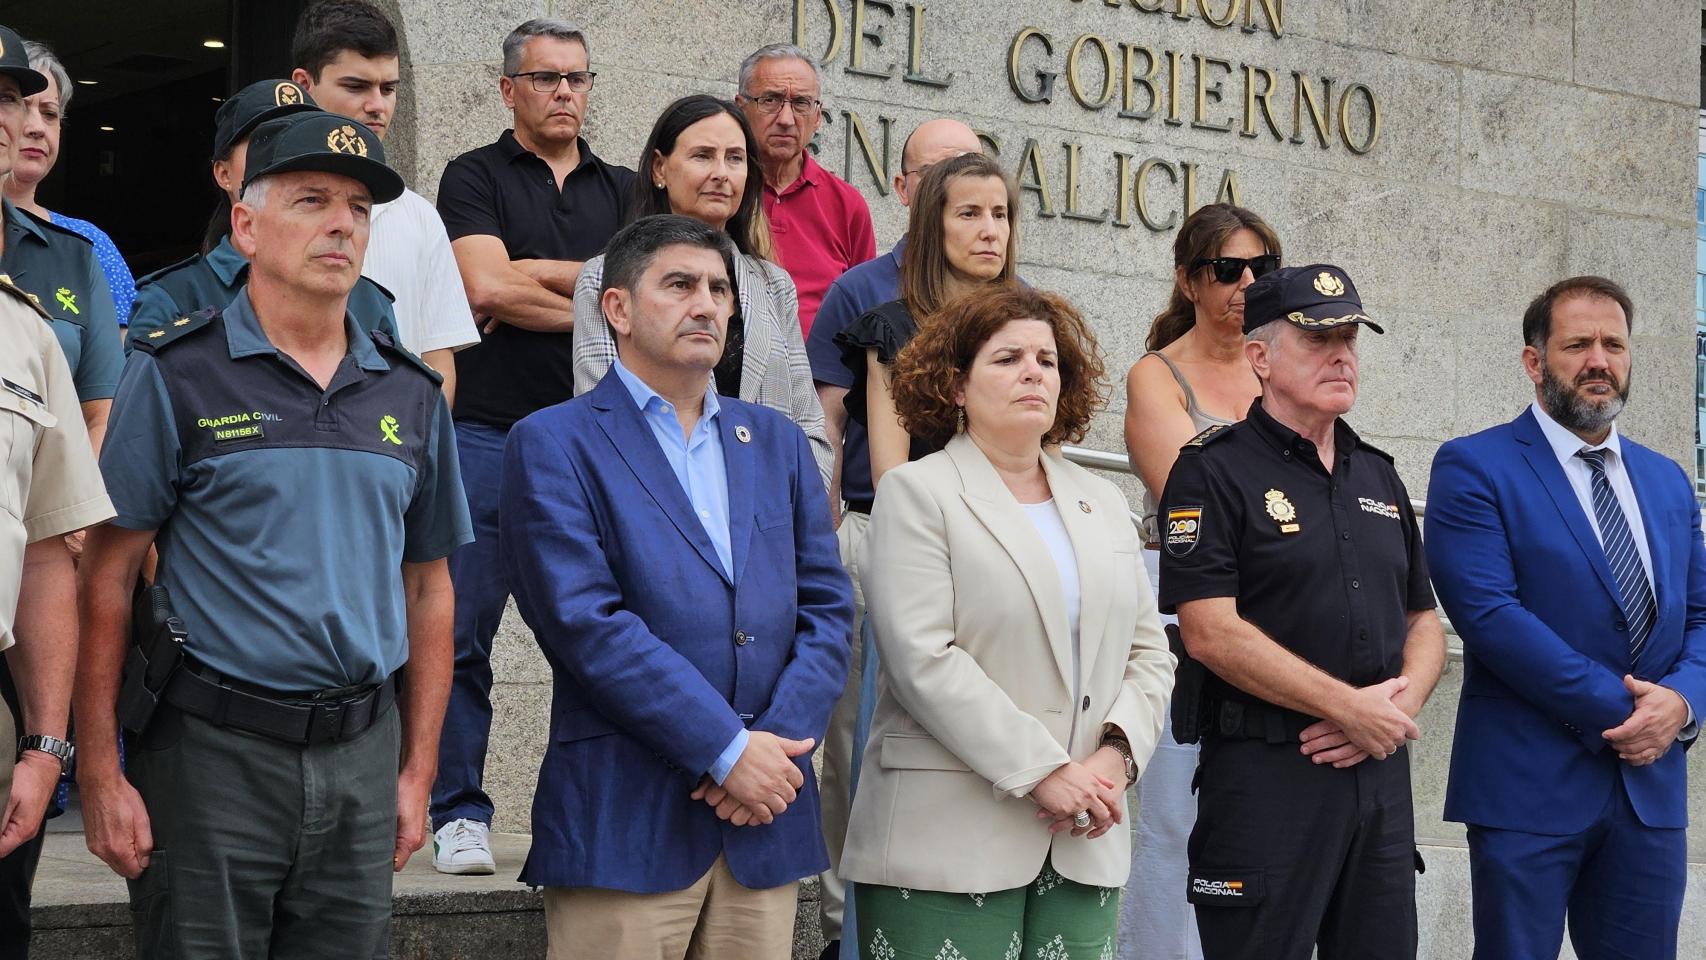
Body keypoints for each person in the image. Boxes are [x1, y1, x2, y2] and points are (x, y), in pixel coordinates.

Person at [74, 111, 472, 959]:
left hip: (363, 757)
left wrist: (417, 772)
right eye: (313, 200)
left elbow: (430, 587)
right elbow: (105, 577)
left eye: (360, 209)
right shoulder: (177, 372)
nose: (342, 224)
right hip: (211, 757)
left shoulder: (408, 392)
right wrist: (102, 773)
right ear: (247, 226)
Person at [500, 214, 851, 960]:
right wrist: (727, 750)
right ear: (618, 310)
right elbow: (584, 623)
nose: (707, 305)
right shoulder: (552, 442)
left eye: (721, 290)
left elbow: (827, 611)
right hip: (627, 822)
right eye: (681, 285)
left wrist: (772, 760)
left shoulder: (778, 441)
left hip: (765, 821)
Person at [840, 283, 1174, 957]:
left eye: (1047, 360)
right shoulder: (917, 493)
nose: (1033, 371)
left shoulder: (1103, 502)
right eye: (1008, 358)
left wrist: (1114, 759)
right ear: (956, 385)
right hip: (948, 840)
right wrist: (1044, 770)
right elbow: (922, 659)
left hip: (1085, 832)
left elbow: (1150, 654)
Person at [1158, 264, 1445, 960]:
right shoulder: (1212, 470)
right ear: (1259, 356)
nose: (1342, 354)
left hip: (1376, 781)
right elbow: (1209, 631)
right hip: (1267, 780)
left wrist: (1385, 716)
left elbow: (1424, 622)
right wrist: (1349, 707)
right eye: (1319, 338)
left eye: (1350, 336)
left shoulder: (1377, 473)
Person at [1425, 276, 1706, 960]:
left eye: (1614, 344)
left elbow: (1702, 614)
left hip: (1649, 795)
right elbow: (1491, 617)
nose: (1598, 360)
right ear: (1534, 361)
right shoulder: (1474, 466)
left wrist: (1682, 703)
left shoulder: (1669, 479)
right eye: (1577, 344)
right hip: (1527, 790)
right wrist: (1634, 712)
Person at [432, 16, 635, 875]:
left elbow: (648, 301)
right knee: (462, 630)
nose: (565, 93)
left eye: (578, 79)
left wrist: (537, 276)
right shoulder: (472, 175)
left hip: (600, 442)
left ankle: (597, 815)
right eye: (548, 78)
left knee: (605, 639)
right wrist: (602, 291)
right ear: (508, 87)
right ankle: (457, 812)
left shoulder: (628, 188)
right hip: (486, 432)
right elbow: (483, 285)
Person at [800, 115, 982, 959]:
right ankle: (849, 929)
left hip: (989, 548)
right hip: (884, 533)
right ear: (908, 191)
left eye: (979, 184)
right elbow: (827, 425)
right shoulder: (864, 295)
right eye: (942, 176)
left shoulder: (1013, 313)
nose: (969, 205)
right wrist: (827, 539)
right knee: (856, 744)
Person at [1117, 202, 1281, 960]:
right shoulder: (1158, 376)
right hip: (1193, 617)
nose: (1247, 283)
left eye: (1261, 269)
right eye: (1228, 269)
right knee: (1178, 821)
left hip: (1284, 621)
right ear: (1189, 280)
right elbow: (1197, 505)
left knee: (1265, 820)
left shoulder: (1282, 362)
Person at [0, 26, 116, 958]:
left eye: (42, 108)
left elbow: (96, 413)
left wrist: (47, 743)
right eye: (10, 103)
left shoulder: (55, 286)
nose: (24, 124)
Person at [572, 94, 830, 485]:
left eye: (735, 158)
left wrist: (779, 515)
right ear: (660, 168)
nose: (721, 173)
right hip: (657, 511)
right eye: (703, 156)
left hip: (768, 518)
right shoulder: (606, 277)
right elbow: (603, 423)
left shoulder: (773, 285)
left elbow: (810, 430)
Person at [290, 0, 479, 402]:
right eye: (356, 87)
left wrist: (424, 456)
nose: (377, 105)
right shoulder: (266, 205)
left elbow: (436, 361)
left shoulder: (421, 216)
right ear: (304, 86)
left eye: (388, 88)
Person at [126, 78, 401, 346]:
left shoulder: (368, 300)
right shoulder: (174, 295)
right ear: (224, 173)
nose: (280, 155)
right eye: (263, 140)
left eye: (297, 138)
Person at [835, 152, 1016, 490]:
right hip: (921, 524)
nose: (991, 231)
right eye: (969, 214)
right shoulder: (893, 332)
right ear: (934, 227)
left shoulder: (1034, 329)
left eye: (1000, 215)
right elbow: (891, 478)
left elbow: (1049, 458)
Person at [735, 43, 874, 338]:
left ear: (818, 117)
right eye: (770, 100)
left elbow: (865, 312)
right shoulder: (722, 188)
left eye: (800, 103)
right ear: (740, 107)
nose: (786, 119)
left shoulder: (846, 204)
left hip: (818, 379)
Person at [4, 41, 136, 332]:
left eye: (50, 113)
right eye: (19, 105)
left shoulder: (89, 243)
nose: (36, 127)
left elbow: (123, 366)